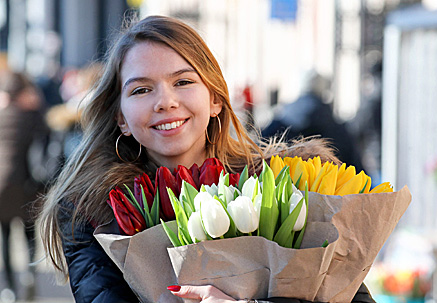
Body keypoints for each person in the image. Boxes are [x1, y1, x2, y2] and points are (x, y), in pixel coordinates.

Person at [37, 15, 375, 303]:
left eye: (183, 81)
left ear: (215, 99)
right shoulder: (93, 211)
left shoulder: (288, 183)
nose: (165, 102)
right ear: (121, 118)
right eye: (141, 89)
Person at [0, 71, 46, 301]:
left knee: (5, 238)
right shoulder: (34, 117)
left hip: (1, 187)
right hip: (28, 185)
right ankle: (29, 274)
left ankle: (8, 287)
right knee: (29, 234)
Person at [262, 70, 364, 172]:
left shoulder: (281, 120)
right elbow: (356, 168)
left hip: (279, 183)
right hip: (327, 184)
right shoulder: (335, 128)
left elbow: (260, 150)